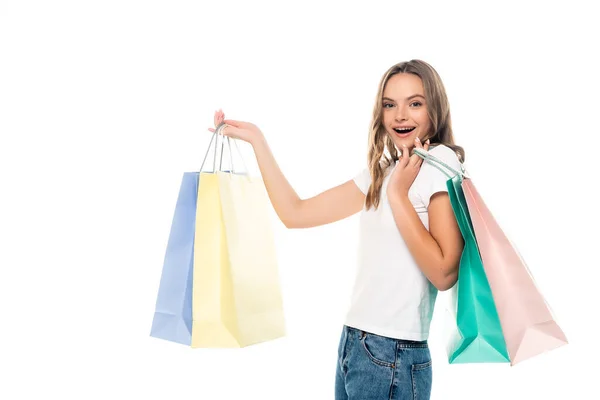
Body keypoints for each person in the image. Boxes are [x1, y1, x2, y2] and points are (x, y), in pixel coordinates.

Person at [208, 59, 466, 400]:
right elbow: (295, 213)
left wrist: (398, 195)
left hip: (393, 354)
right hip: (356, 345)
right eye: (390, 105)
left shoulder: (440, 162)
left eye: (414, 103)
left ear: (435, 108)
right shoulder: (386, 171)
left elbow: (445, 273)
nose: (400, 115)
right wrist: (257, 140)